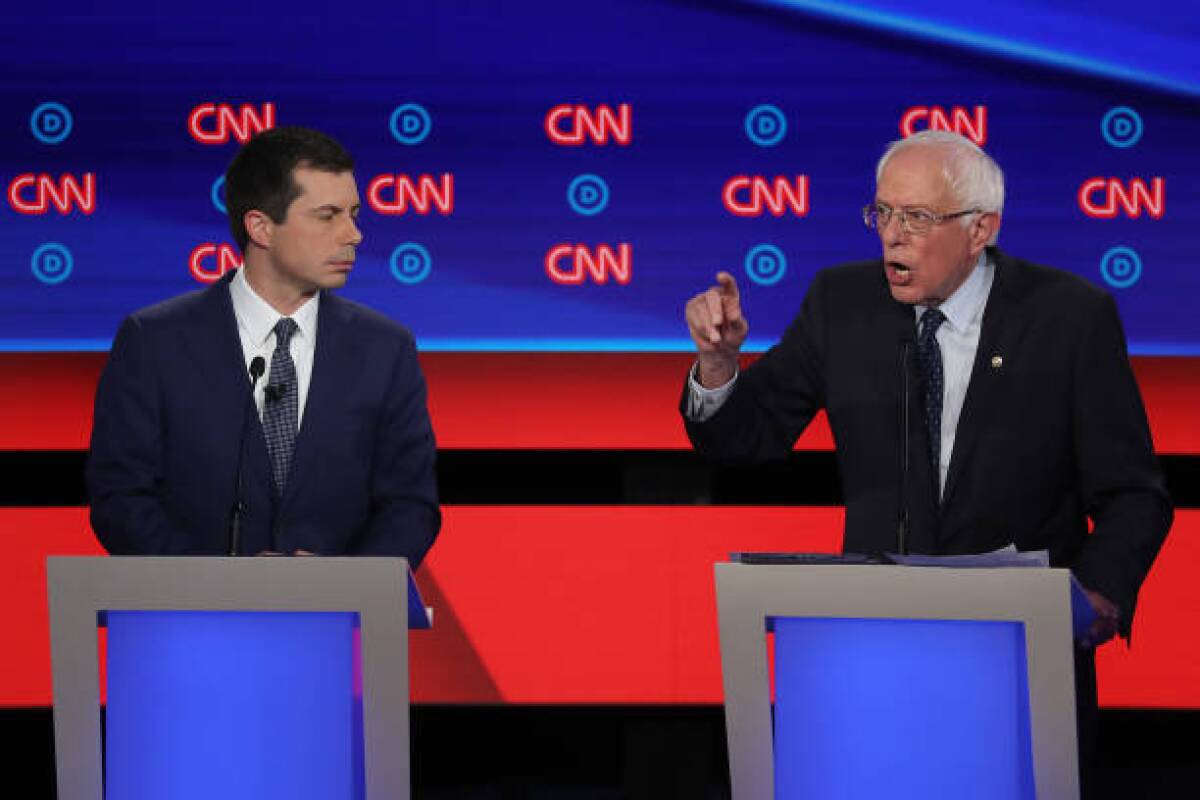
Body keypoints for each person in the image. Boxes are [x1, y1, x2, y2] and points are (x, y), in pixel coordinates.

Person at [681, 130, 1171, 791]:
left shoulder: (1068, 318)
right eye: (882, 213)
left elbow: (1135, 493)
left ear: (981, 229)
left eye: (917, 217)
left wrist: (1094, 596)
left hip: (1016, 660)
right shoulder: (842, 304)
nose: (892, 235)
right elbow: (748, 437)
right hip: (867, 659)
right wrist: (717, 365)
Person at [88, 126, 440, 563]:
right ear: (261, 227)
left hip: (333, 623)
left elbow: (410, 506)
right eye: (328, 215)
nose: (354, 235)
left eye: (353, 213)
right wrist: (221, 586)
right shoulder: (155, 342)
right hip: (187, 622)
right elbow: (121, 499)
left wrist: (343, 582)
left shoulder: (385, 349)